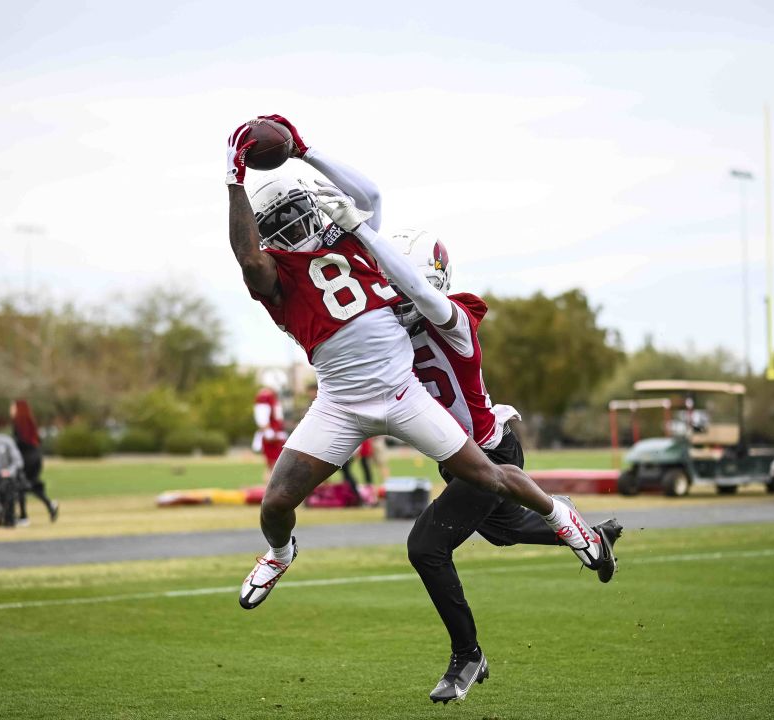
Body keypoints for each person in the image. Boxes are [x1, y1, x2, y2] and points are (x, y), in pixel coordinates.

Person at [224, 115, 614, 613]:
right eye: (279, 223)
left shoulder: (354, 240)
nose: (296, 225)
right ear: (265, 234)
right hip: (339, 404)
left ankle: (564, 519)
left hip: (402, 393)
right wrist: (235, 180)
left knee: (489, 476)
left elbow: (372, 198)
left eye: (298, 210)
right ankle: (280, 552)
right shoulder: (277, 279)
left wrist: (306, 151)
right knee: (276, 502)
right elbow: (248, 259)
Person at [324, 220, 625, 702]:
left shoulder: (456, 320)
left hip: (490, 454)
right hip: (459, 458)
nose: (391, 289)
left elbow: (433, 304)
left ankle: (468, 655)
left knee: (425, 547)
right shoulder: (388, 329)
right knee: (504, 530)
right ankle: (593, 534)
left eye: (401, 279)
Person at [11, 399, 59, 525]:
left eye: (13, 407)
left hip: (26, 458)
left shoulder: (18, 423)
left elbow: (19, 443)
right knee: (32, 485)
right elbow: (37, 440)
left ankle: (23, 516)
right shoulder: (30, 422)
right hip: (36, 457)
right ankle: (50, 504)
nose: (11, 409)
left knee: (20, 485)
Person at [252, 387, 287, 483]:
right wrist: (269, 434)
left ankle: (270, 491)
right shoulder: (265, 397)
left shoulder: (272, 398)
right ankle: (271, 491)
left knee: (274, 466)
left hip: (276, 436)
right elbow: (262, 419)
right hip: (273, 437)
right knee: (275, 466)